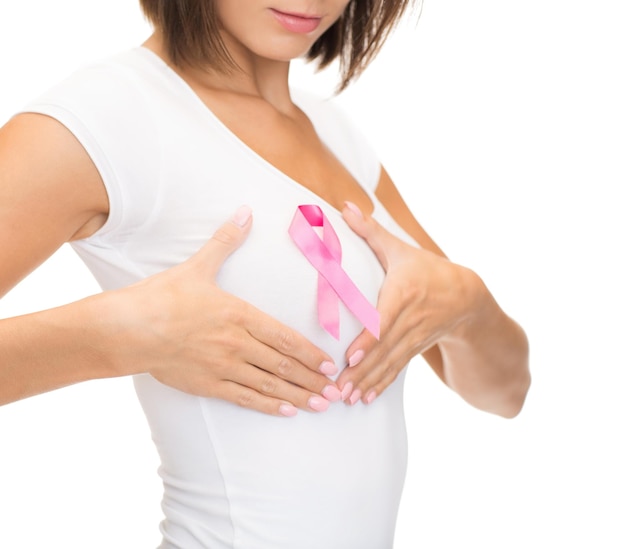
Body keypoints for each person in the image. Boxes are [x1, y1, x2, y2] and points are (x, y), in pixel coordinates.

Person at [0, 0, 530, 547]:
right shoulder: (103, 116)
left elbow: (506, 392)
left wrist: (469, 302)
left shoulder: (335, 131)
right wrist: (119, 337)